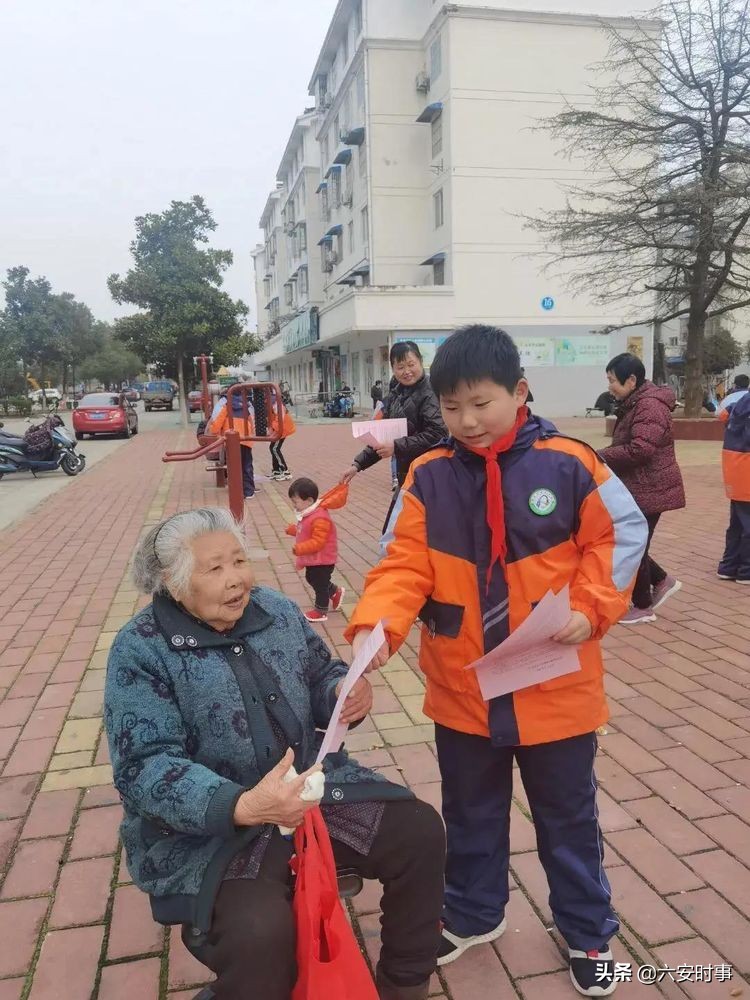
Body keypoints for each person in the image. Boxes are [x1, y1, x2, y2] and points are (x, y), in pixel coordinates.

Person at [344, 325, 647, 998]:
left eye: (481, 403)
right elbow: (401, 566)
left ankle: (586, 927)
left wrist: (591, 606)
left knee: (568, 818)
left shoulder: (570, 464)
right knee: (471, 812)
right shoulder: (428, 475)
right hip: (463, 690)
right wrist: (374, 635)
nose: (467, 421)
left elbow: (622, 532)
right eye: (451, 408)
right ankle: (475, 912)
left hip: (556, 685)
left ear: (519, 392)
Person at [104, 508, 445, 1000]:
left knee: (419, 832)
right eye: (215, 569)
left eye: (239, 560)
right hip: (215, 829)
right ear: (172, 584)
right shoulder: (141, 649)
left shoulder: (277, 611)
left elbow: (319, 670)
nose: (236, 578)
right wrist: (244, 806)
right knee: (260, 934)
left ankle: (404, 985)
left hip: (313, 792)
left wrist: (341, 694)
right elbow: (145, 766)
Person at [599, 353, 685, 624]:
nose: (610, 386)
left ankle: (643, 606)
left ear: (632, 380)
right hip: (642, 487)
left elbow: (641, 449)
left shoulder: (649, 405)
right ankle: (661, 581)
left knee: (633, 546)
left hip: (651, 487)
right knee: (635, 543)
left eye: (613, 380)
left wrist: (599, 455)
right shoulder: (636, 402)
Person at [340, 342, 446, 497]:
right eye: (400, 367)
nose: (407, 371)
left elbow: (437, 433)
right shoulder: (396, 395)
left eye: (411, 364)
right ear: (393, 369)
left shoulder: (431, 392)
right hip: (407, 474)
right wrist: (357, 465)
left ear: (421, 362)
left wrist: (396, 446)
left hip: (431, 474)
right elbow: (382, 438)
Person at [285, 477, 346, 623]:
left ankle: (320, 610)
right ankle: (334, 592)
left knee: (319, 583)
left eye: (296, 501)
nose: (294, 505)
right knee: (313, 578)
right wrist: (293, 530)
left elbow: (318, 542)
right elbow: (305, 530)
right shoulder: (309, 513)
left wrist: (300, 548)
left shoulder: (320, 517)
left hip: (323, 559)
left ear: (309, 500)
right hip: (315, 559)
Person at [717, 376, 750, 583]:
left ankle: (728, 566)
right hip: (747, 465)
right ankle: (746, 570)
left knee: (737, 520)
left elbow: (722, 416)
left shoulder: (741, 400)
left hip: (734, 465)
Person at [210, 391, 256, 500]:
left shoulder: (226, 407)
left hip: (231, 441)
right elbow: (251, 423)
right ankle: (249, 491)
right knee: (247, 466)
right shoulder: (246, 407)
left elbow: (216, 425)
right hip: (245, 440)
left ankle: (236, 490)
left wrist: (216, 433)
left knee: (233, 467)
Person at [268, 389, 296, 482]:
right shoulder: (272, 401)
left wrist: (274, 429)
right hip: (280, 428)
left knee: (274, 449)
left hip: (283, 428)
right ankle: (277, 471)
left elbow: (280, 417)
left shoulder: (275, 403)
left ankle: (285, 471)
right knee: (273, 448)